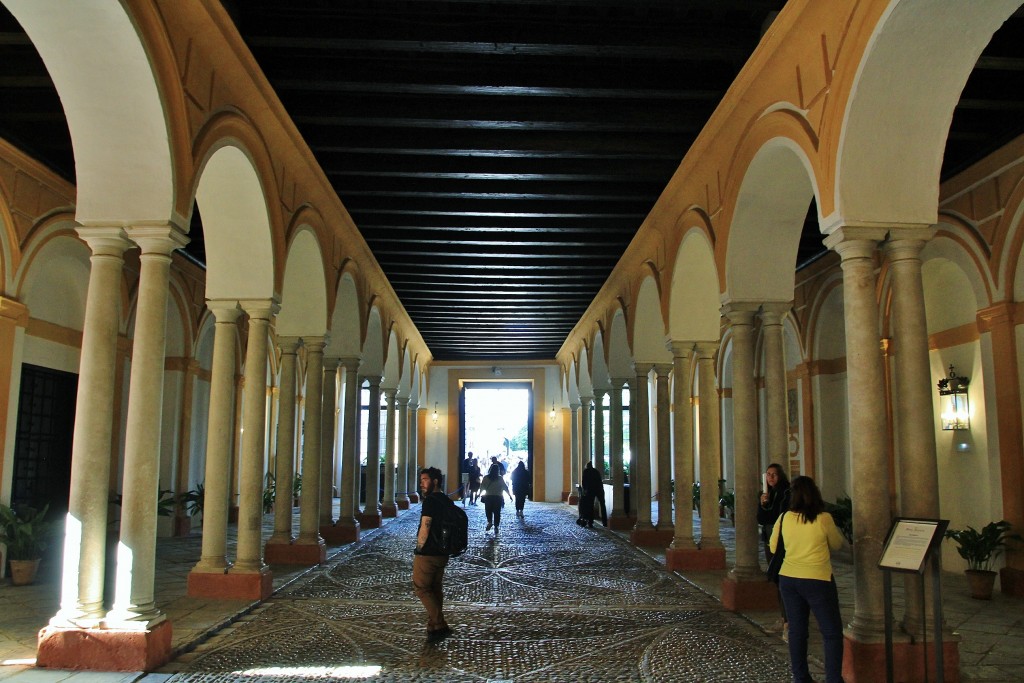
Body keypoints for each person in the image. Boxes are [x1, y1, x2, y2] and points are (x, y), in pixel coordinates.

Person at [769, 475, 845, 683]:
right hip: (817, 579)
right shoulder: (823, 519)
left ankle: (800, 677)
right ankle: (833, 679)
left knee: (797, 630)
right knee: (830, 632)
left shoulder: (784, 518)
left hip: (789, 579)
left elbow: (774, 547)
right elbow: (837, 544)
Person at [413, 467, 452, 644]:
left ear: (435, 481)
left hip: (428, 552)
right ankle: (433, 625)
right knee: (435, 588)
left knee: (421, 588)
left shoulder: (430, 501)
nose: (422, 483)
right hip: (443, 552)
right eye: (421, 480)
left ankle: (439, 623)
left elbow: (425, 526)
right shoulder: (447, 500)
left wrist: (419, 548)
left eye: (425, 479)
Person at [758, 462, 791, 635]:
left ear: (781, 476)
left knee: (782, 579)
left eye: (774, 475)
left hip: (782, 542)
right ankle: (784, 617)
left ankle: (788, 620)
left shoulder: (785, 493)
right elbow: (762, 518)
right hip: (770, 539)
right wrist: (763, 504)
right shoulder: (767, 494)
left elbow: (778, 516)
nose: (770, 478)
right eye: (768, 474)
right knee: (776, 579)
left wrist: (766, 507)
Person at [480, 463, 513, 535]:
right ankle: (496, 526)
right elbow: (505, 487)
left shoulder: (486, 477)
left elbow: (482, 487)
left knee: (488, 510)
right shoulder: (500, 478)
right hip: (498, 497)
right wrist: (509, 495)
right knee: (497, 512)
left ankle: (489, 522)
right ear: (498, 470)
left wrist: (479, 494)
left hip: (488, 497)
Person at [580, 461, 607, 528]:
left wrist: (585, 491)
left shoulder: (586, 471)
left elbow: (584, 482)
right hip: (599, 489)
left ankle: (590, 522)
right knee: (603, 505)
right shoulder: (596, 471)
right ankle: (605, 522)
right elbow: (599, 481)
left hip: (590, 490)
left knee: (590, 506)